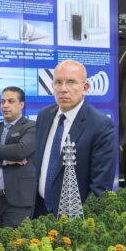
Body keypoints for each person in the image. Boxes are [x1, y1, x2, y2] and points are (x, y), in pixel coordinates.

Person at [32, 60, 117, 215]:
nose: (63, 89)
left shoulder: (100, 125)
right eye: (58, 82)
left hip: (75, 217)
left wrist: (82, 223)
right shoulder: (44, 116)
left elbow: (100, 187)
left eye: (71, 82)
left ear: (85, 88)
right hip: (39, 212)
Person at [0, 86, 36, 227]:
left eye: (11, 101)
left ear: (21, 105)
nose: (5, 105)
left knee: (13, 240)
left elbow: (20, 151)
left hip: (17, 201)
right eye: (2, 102)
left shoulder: (31, 127)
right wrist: (5, 161)